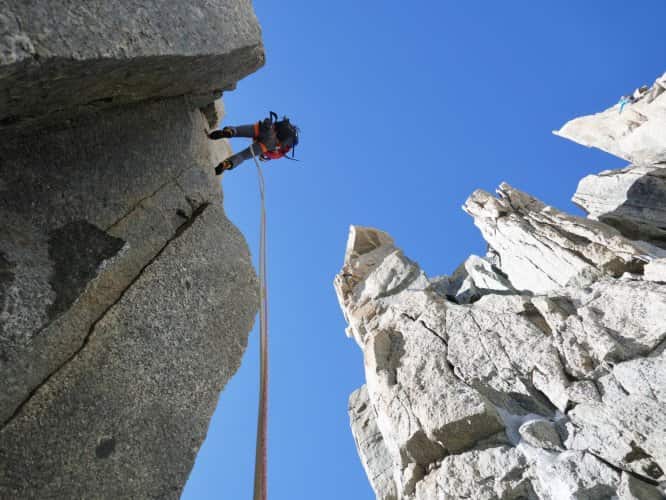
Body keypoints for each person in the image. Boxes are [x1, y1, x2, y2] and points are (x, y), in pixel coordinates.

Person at [209, 112, 299, 175]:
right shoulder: (282, 149)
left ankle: (230, 131)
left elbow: (274, 125)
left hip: (266, 129)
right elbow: (272, 154)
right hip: (268, 144)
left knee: (239, 131)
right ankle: (227, 164)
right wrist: (263, 153)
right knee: (243, 156)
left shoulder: (283, 125)